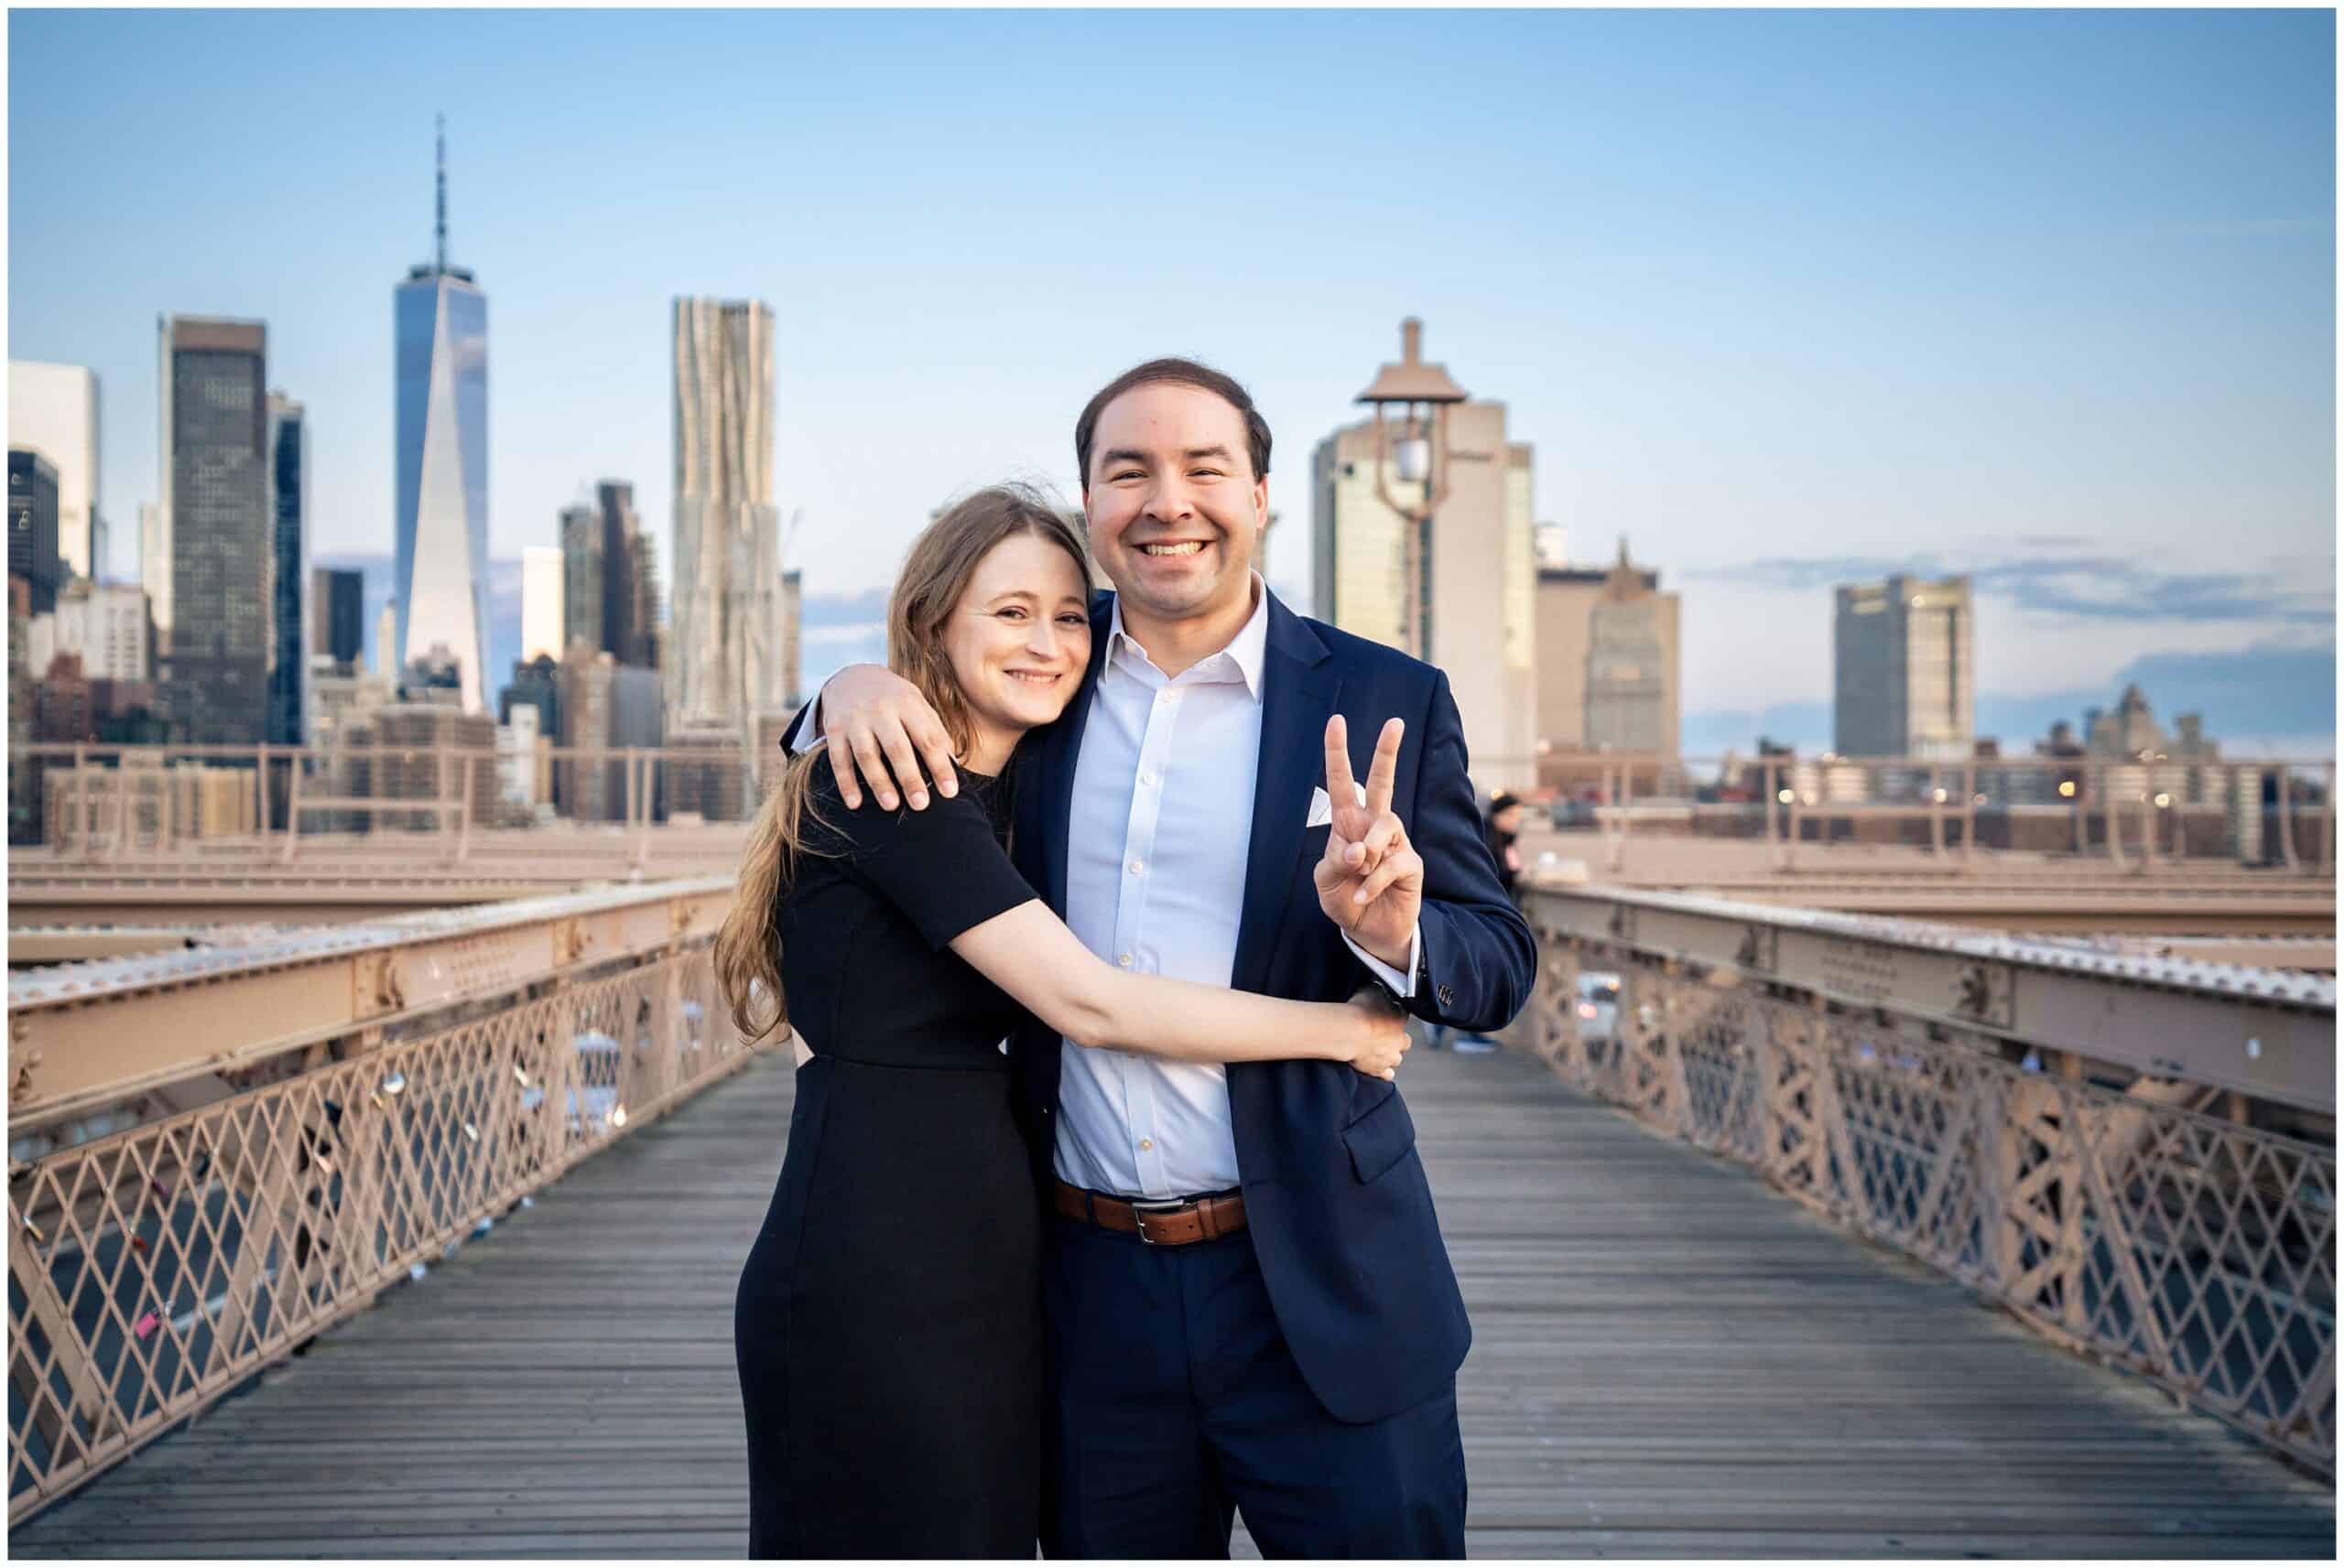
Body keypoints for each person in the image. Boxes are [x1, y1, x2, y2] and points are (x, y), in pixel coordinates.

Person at [792, 361, 1536, 1557]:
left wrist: (1393, 932)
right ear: (1091, 502)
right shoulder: (1043, 681)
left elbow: (1496, 963)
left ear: (1259, 492)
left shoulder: (1383, 693)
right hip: (1080, 1297)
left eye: (1203, 467)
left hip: (1322, 1290)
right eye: (1128, 469)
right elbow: (923, 717)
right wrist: (843, 686)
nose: (1167, 499)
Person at [718, 486, 1414, 1560]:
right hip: (877, 1254)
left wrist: (839, 691)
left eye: (1068, 616)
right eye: (1008, 614)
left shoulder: (1012, 789)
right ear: (934, 622)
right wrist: (1343, 1033)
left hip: (996, 1258)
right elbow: (1088, 1000)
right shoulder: (893, 794)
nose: (1046, 643)